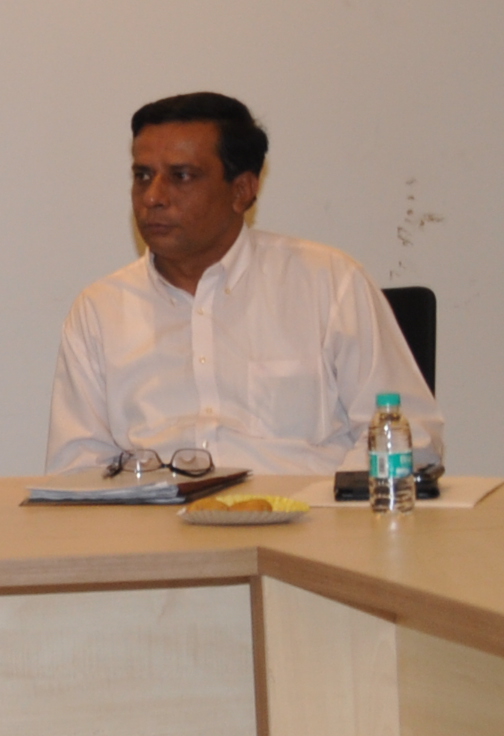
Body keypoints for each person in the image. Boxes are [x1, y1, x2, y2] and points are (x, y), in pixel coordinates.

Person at [47, 92, 442, 477]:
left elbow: (412, 439)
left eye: (181, 176)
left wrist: (327, 503)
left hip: (306, 526)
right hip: (158, 529)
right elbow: (76, 470)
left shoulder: (329, 282)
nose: (153, 197)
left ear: (242, 190)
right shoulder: (101, 309)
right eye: (142, 176)